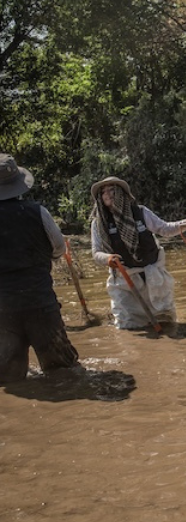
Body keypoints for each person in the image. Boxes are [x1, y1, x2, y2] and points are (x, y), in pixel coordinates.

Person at [0, 154, 81, 383]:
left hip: (2, 311)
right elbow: (58, 248)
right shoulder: (38, 212)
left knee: (8, 379)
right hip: (40, 302)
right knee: (64, 371)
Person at [90, 176, 186, 329]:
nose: (108, 195)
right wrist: (107, 258)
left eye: (112, 191)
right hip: (124, 279)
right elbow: (96, 252)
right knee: (128, 326)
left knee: (165, 320)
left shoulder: (140, 212)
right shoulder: (98, 224)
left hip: (153, 273)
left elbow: (165, 229)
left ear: (121, 194)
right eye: (103, 192)